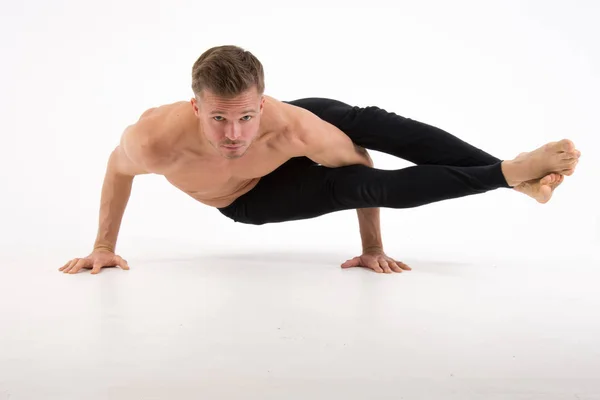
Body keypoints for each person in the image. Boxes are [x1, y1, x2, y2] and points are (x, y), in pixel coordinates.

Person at [59, 45, 581, 275]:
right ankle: (510, 176)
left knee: (369, 124)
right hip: (250, 197)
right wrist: (103, 246)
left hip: (287, 141)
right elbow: (115, 170)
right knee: (348, 186)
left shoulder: (289, 123)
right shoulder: (153, 140)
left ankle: (511, 174)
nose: (233, 134)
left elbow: (363, 162)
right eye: (218, 119)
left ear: (262, 102)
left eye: (245, 116)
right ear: (196, 106)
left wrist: (372, 246)